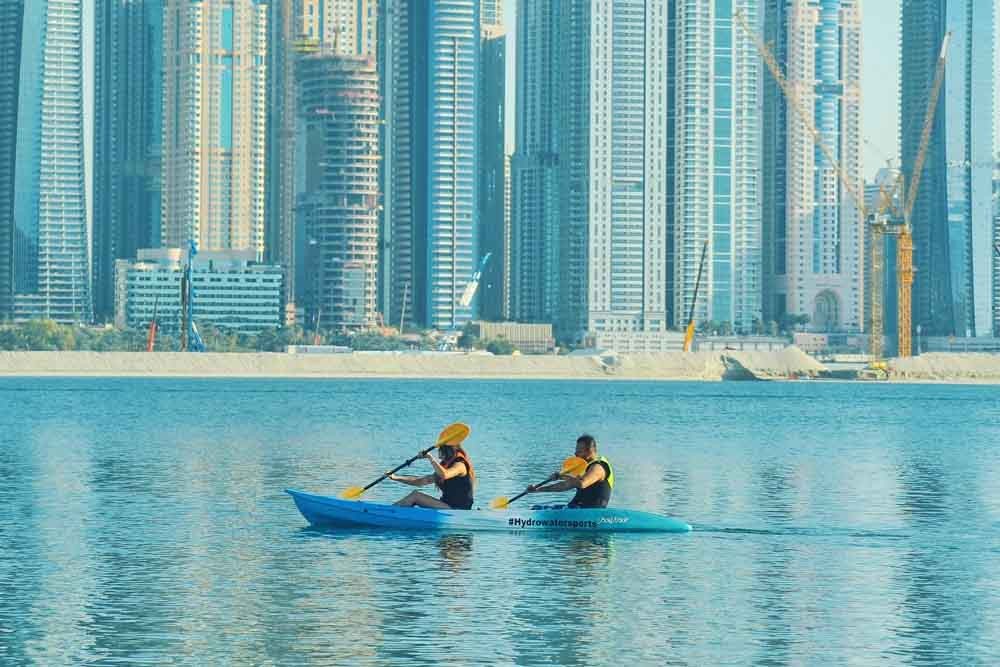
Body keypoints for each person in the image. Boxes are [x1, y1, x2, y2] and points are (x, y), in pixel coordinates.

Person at [525, 434, 614, 508]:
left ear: (590, 451)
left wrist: (561, 476)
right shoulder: (585, 467)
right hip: (576, 508)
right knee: (536, 508)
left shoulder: (598, 467)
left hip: (591, 512)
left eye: (579, 451)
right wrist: (538, 489)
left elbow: (582, 484)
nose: (575, 454)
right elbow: (565, 485)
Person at [389, 443, 475, 509]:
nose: (440, 457)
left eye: (440, 451)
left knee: (415, 496)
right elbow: (420, 481)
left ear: (448, 452)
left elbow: (445, 475)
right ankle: (392, 511)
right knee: (415, 494)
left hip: (458, 509)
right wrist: (395, 477)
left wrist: (430, 458)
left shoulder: (460, 465)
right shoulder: (444, 466)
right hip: (446, 505)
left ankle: (390, 512)